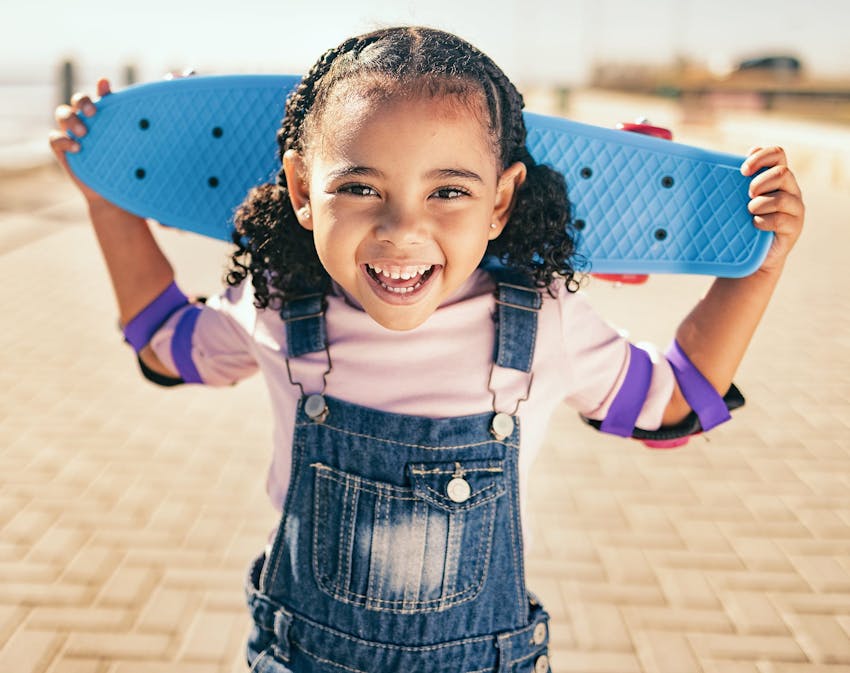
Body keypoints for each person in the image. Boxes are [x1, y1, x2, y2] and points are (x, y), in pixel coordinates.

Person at [50, 26, 804, 673]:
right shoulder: (281, 301)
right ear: (302, 188)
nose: (402, 229)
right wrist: (107, 192)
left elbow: (671, 401)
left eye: (448, 191)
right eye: (360, 188)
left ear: (501, 201)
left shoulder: (543, 321)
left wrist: (758, 272)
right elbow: (164, 345)